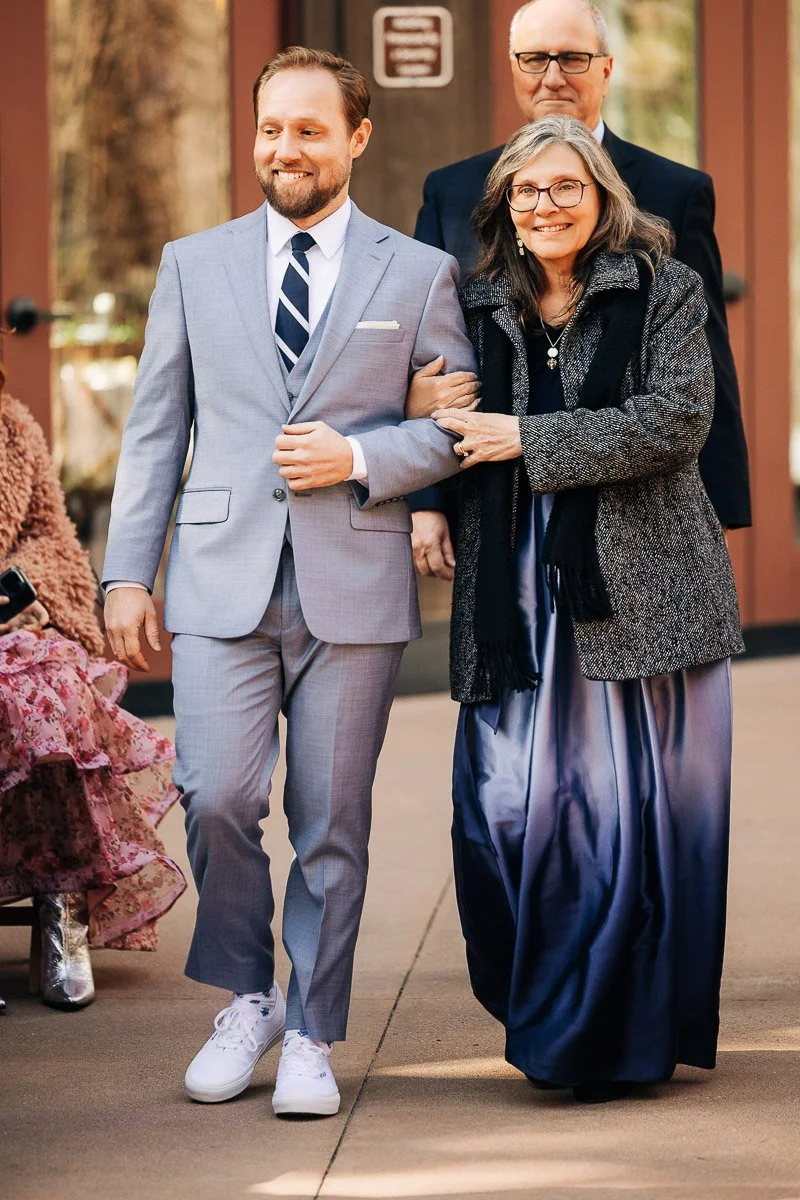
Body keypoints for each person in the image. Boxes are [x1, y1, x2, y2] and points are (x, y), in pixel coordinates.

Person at [102, 46, 475, 1117]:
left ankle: (312, 1026)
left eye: (310, 130)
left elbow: (453, 427)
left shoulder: (418, 273)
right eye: (271, 128)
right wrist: (127, 572)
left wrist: (359, 456)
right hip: (219, 575)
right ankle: (248, 997)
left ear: (356, 137)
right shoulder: (192, 263)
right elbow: (155, 430)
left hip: (351, 580)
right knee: (215, 794)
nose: (285, 149)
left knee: (331, 820)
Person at [427, 116, 744, 1102]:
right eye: (527, 191)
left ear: (602, 197)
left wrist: (527, 439)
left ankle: (605, 1037)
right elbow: (433, 416)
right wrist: (426, 464)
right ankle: (549, 1003)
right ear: (504, 209)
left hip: (639, 582)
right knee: (499, 809)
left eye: (566, 186)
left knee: (625, 824)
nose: (545, 205)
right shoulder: (476, 301)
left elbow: (676, 420)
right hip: (512, 589)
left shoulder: (663, 288)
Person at [411, 0, 750, 589]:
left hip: (638, 509)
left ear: (606, 68)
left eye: (571, 58)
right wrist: (426, 500)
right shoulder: (452, 190)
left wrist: (718, 500)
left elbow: (705, 360)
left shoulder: (675, 189)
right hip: (499, 504)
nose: (552, 76)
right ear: (513, 66)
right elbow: (434, 354)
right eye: (534, 58)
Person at [0, 347, 185, 1011]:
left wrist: (19, 584)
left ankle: (63, 905)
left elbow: (50, 536)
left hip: (8, 624)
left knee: (47, 688)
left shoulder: (12, 426)